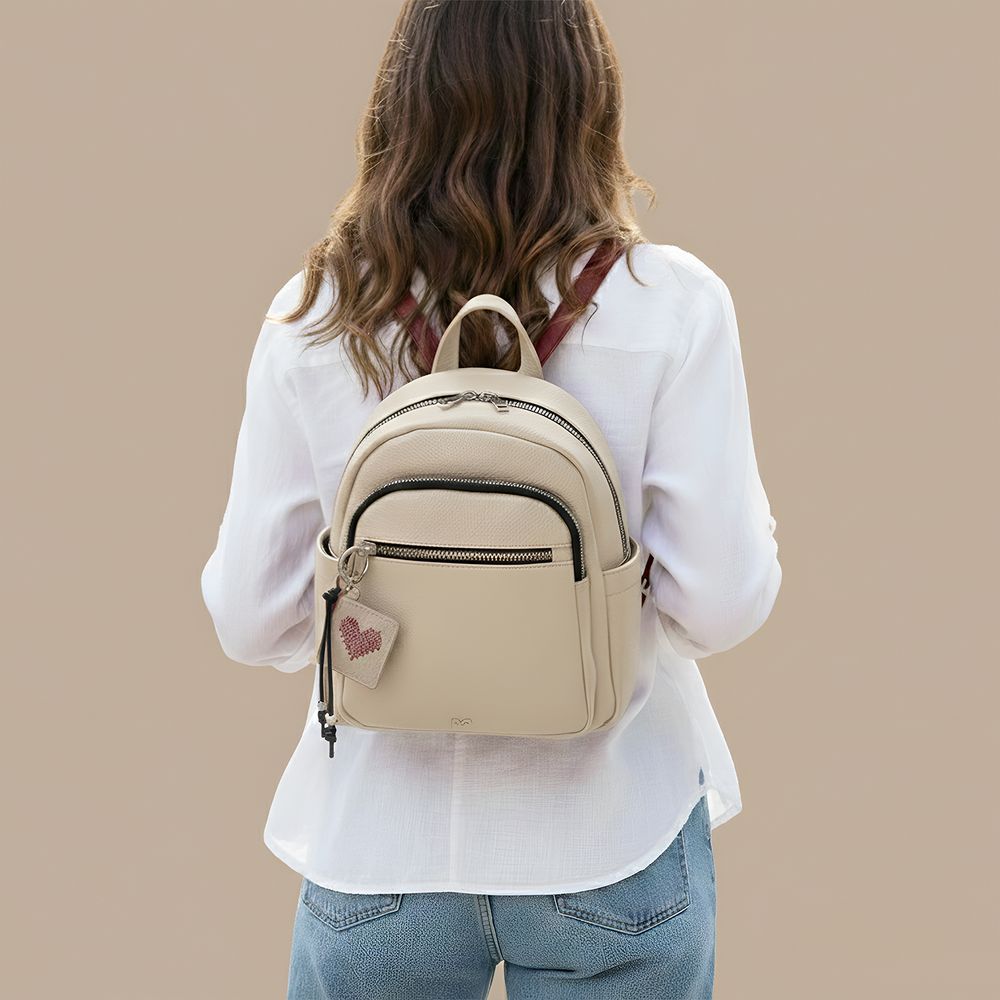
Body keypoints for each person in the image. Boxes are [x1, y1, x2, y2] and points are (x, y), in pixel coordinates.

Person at [200, 2, 781, 997]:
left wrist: (378, 633)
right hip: (612, 836)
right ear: (588, 102)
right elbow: (721, 603)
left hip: (378, 850)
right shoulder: (672, 306)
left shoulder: (316, 315)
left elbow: (252, 619)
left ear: (400, 107)